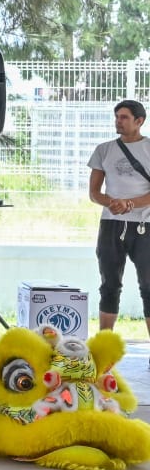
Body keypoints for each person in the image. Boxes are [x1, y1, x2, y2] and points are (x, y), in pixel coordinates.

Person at [87, 99, 150, 344]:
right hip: (111, 225)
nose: (118, 121)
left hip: (145, 226)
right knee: (109, 284)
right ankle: (105, 345)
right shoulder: (104, 150)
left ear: (139, 121)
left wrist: (130, 203)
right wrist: (111, 202)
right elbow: (94, 193)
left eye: (124, 117)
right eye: (117, 117)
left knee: (148, 287)